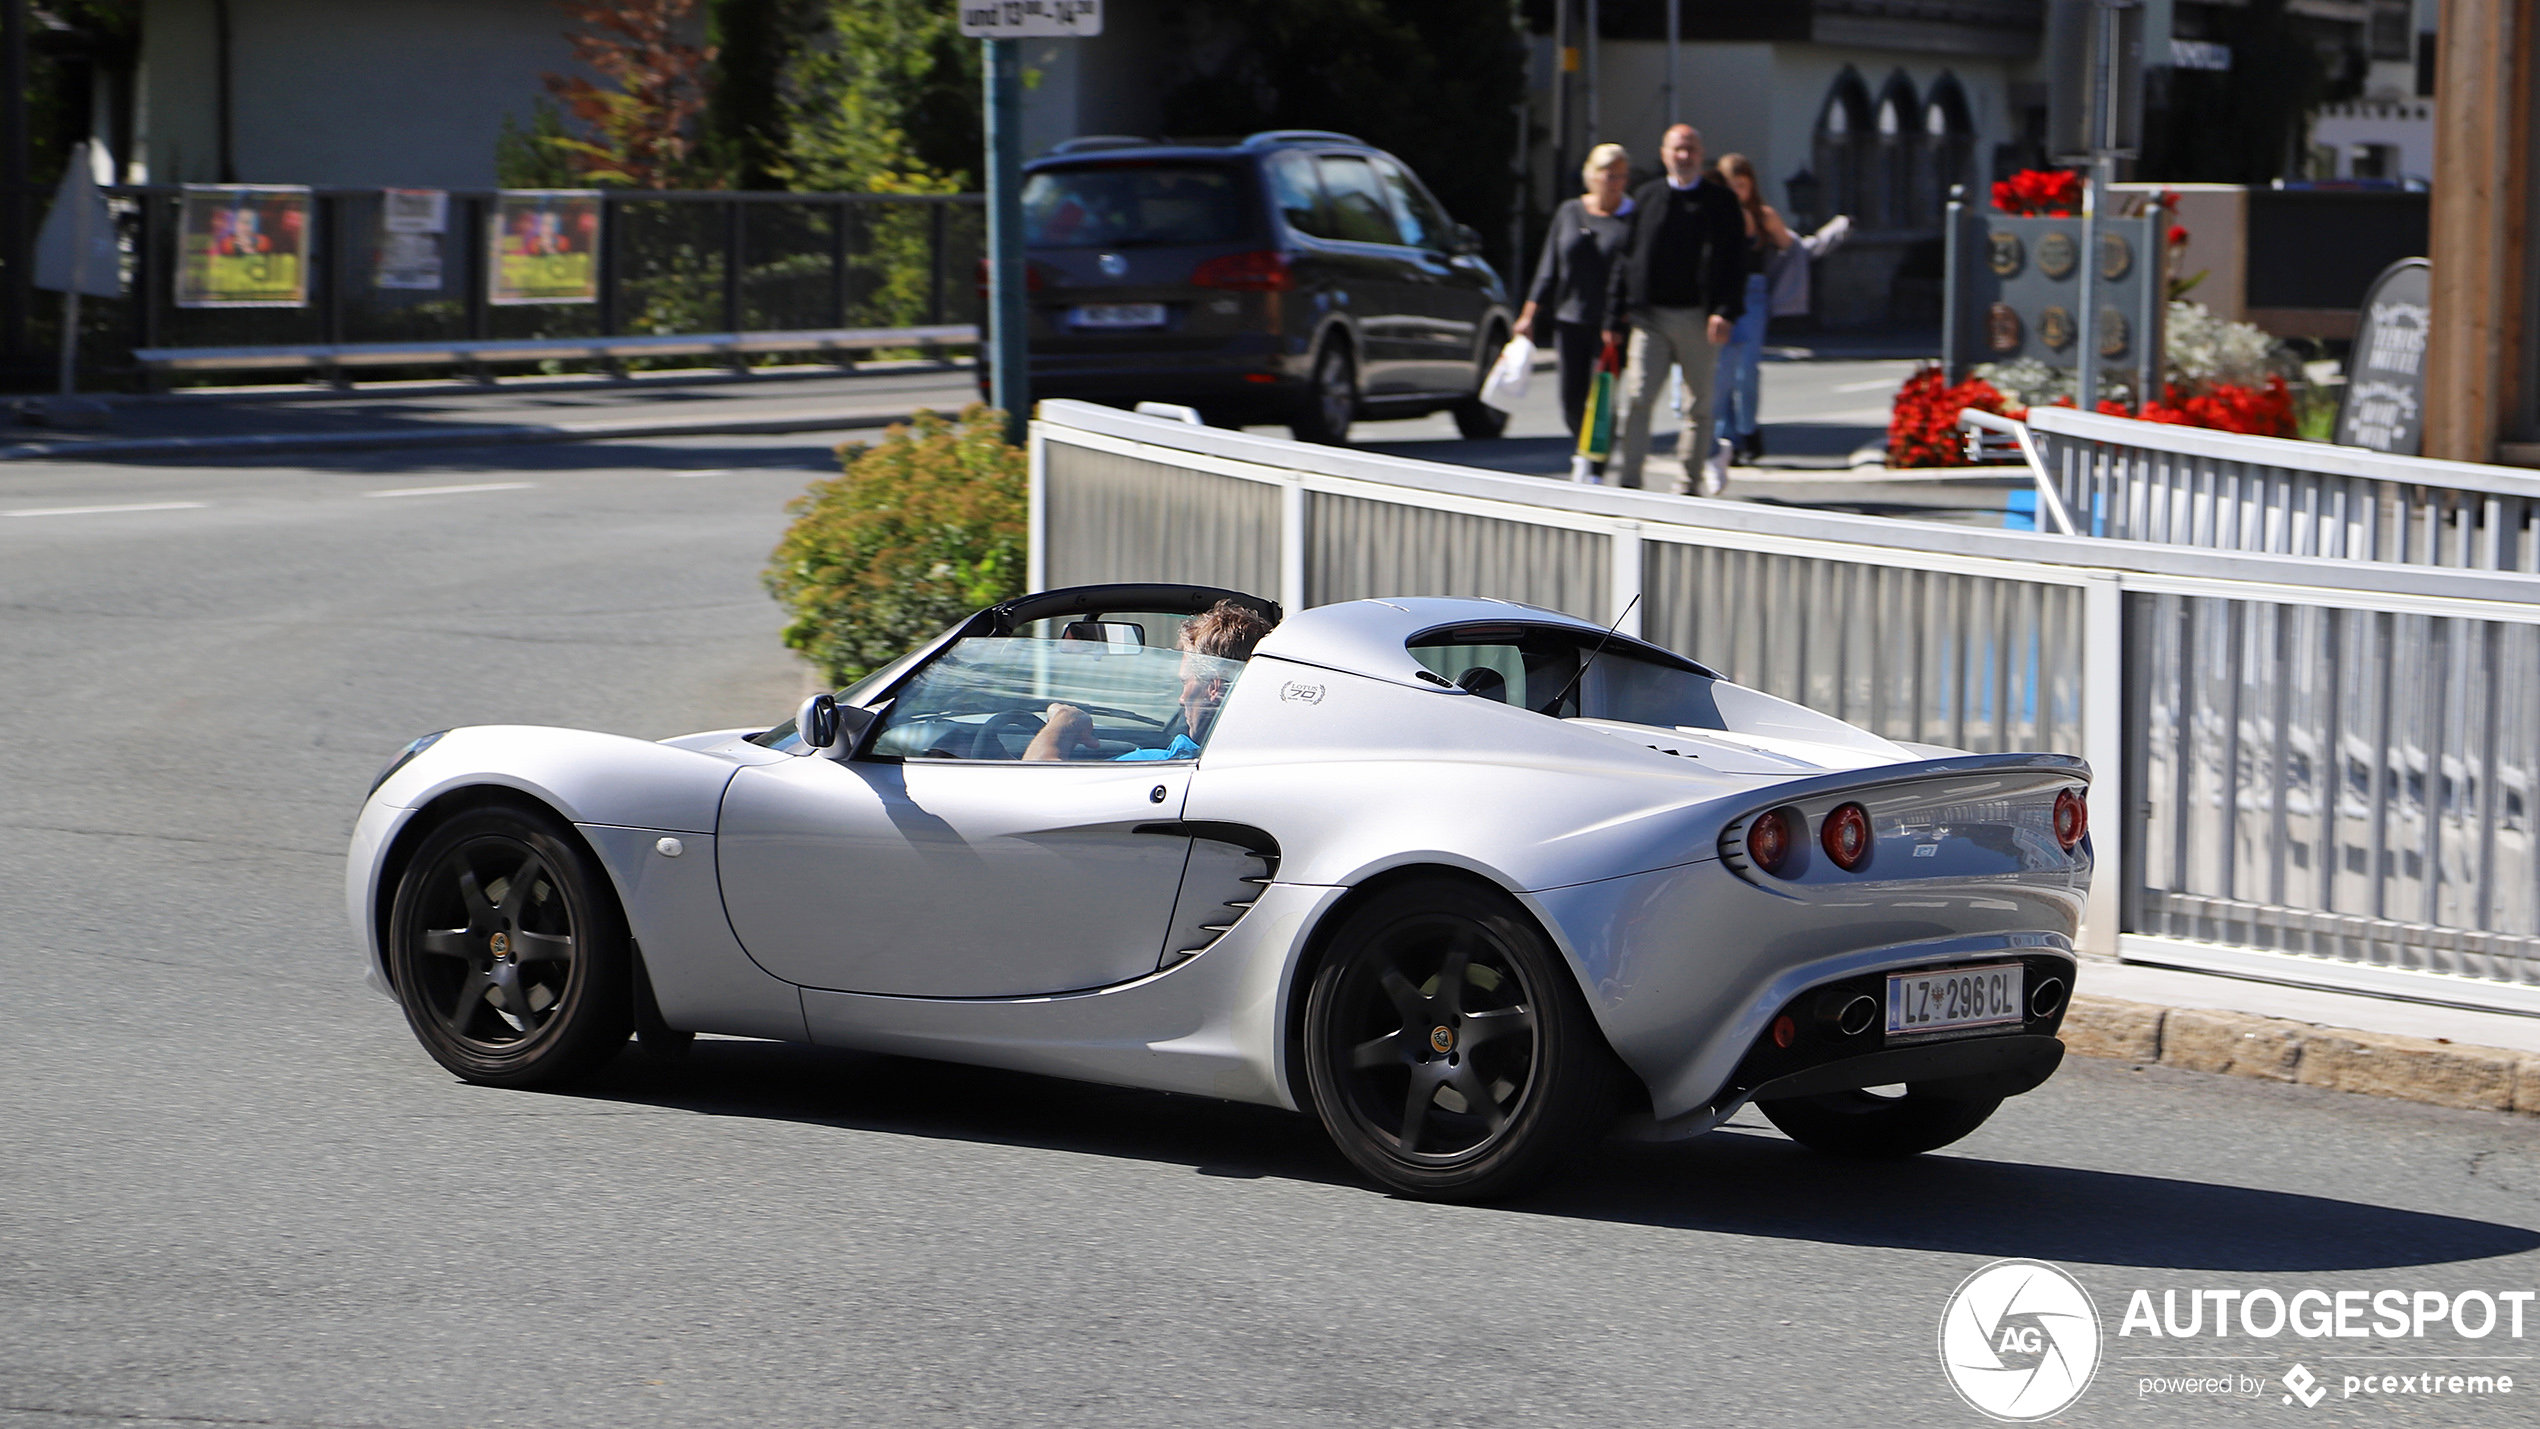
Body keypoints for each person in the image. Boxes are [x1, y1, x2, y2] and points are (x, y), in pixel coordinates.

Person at [1602, 124, 1747, 494]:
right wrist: (1614, 312)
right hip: (1650, 317)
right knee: (1638, 399)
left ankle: (1689, 482)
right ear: (1664, 153)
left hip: (1700, 318)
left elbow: (1736, 260)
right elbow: (1626, 257)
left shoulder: (1721, 201)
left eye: (1691, 149)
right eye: (1677, 149)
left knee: (1698, 406)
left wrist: (1726, 310)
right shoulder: (1646, 196)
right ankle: (1630, 482)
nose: (1684, 156)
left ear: (1701, 155)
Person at [1023, 600, 1276, 761]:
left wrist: (1065, 720)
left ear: (1214, 687)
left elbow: (1033, 791)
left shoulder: (1163, 765)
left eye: (1185, 683)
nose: (1181, 698)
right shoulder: (1270, 758)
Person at [1512, 143, 1634, 439]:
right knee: (1570, 399)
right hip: (1570, 318)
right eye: (1609, 174)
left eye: (1621, 176)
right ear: (1592, 175)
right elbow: (1548, 268)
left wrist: (1625, 316)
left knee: (1601, 397)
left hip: (1611, 324)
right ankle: (1585, 450)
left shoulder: (1633, 218)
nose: (1615, 182)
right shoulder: (1569, 212)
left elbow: (1638, 274)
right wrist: (1529, 315)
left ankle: (1595, 465)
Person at [1710, 153, 1793, 465]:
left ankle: (1748, 429)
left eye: (1741, 186)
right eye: (1730, 186)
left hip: (1753, 292)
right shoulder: (1714, 212)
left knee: (1746, 369)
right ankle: (1727, 438)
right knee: (1722, 371)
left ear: (1751, 186)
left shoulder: (1762, 215)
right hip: (1720, 295)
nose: (1736, 192)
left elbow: (1788, 247)